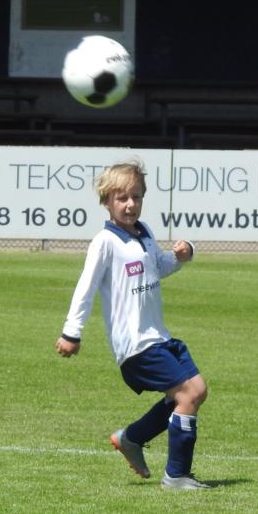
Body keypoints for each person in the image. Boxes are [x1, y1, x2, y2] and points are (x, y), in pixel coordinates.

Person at [55, 160, 209, 490]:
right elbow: (86, 287)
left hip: (159, 336)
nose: (130, 204)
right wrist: (72, 332)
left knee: (193, 392)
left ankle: (132, 438)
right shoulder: (104, 242)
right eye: (122, 198)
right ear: (106, 201)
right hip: (135, 345)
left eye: (136, 197)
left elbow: (159, 268)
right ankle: (177, 475)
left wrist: (182, 256)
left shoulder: (145, 233)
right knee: (188, 393)